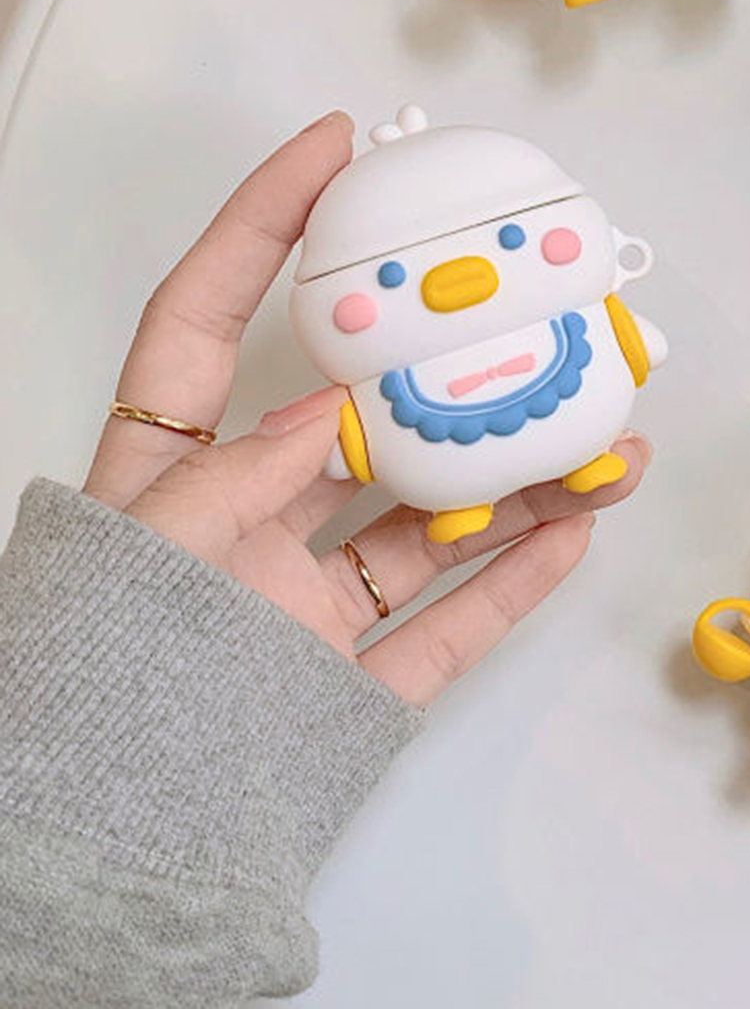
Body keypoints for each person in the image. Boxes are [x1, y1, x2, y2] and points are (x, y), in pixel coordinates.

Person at [0, 112, 649, 1006]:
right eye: (392, 279)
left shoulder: (582, 318)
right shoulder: (392, 389)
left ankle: (545, 471)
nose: (458, 282)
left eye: (511, 240)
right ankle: (471, 496)